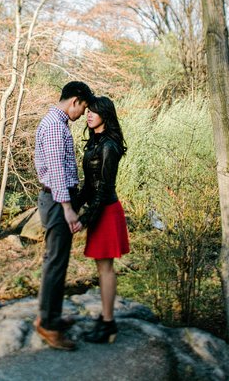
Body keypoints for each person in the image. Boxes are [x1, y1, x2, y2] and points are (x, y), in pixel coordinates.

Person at [33, 80, 94, 351]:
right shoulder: (57, 127)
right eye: (83, 108)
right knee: (56, 263)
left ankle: (51, 316)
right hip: (59, 202)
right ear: (75, 101)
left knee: (56, 261)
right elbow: (57, 171)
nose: (83, 114)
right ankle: (48, 326)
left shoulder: (53, 122)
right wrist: (69, 208)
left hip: (56, 199)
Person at [77, 95, 130, 344]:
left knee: (106, 268)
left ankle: (108, 323)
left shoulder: (109, 145)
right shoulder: (94, 143)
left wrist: (85, 219)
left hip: (106, 210)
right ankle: (106, 318)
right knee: (102, 267)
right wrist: (72, 205)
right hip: (99, 209)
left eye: (93, 112)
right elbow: (89, 186)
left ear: (105, 116)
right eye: (88, 111)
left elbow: (104, 188)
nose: (88, 115)